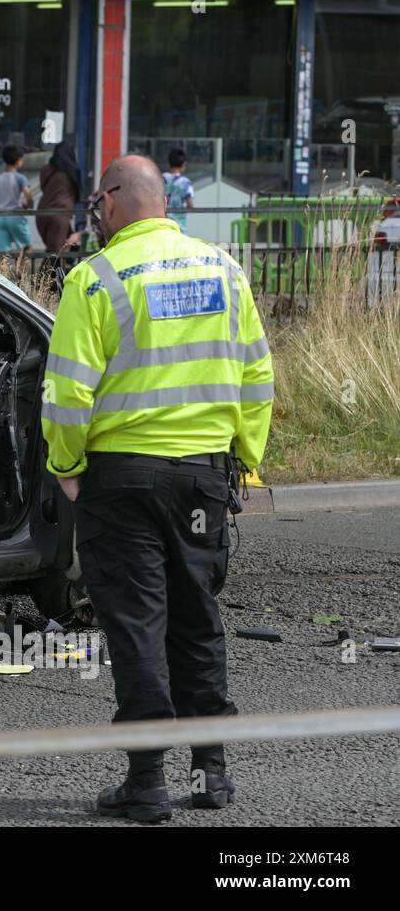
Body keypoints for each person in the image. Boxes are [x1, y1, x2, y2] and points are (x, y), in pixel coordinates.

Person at [40, 154, 274, 823]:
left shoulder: (96, 279)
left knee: (138, 624)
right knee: (198, 620)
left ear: (113, 202)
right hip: (203, 475)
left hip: (122, 478)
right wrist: (245, 458)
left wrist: (66, 465)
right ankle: (211, 774)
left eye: (97, 203)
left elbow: (66, 391)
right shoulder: (226, 271)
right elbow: (258, 378)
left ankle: (146, 783)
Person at [36, 139, 82, 252]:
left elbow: (43, 187)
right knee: (57, 253)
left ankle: (56, 268)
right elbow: (77, 193)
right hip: (60, 214)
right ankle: (53, 270)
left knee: (53, 249)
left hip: (42, 213)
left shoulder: (46, 169)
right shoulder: (71, 170)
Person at [0, 144, 33, 253]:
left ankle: (3, 270)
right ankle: (22, 269)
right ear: (18, 160)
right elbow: (28, 195)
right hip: (15, 216)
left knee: (3, 253)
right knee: (26, 248)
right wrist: (28, 204)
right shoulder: (20, 178)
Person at [163, 148, 195, 233]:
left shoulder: (161, 179)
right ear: (184, 164)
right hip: (179, 226)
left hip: (162, 224)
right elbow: (190, 204)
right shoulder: (185, 182)